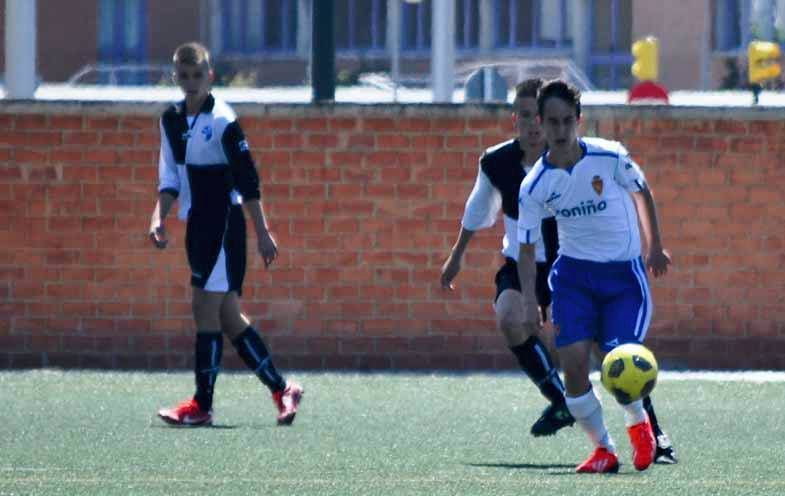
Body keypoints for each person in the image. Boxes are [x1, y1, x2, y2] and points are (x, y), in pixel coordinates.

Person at [516, 79, 672, 473]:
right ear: (540, 123)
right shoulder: (534, 185)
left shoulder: (611, 158)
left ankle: (640, 426)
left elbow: (643, 192)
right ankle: (603, 449)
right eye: (552, 122)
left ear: (579, 121)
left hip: (623, 278)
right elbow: (528, 247)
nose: (561, 130)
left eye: (568, 121)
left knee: (620, 359)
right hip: (572, 278)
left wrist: (653, 247)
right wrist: (529, 298)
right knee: (572, 368)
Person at [149, 42, 302, 427]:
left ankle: (202, 405)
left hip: (223, 223)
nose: (191, 82)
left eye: (197, 75)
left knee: (204, 308)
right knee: (229, 317)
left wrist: (263, 232)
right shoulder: (170, 119)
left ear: (210, 76)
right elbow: (169, 178)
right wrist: (159, 217)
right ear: (175, 77)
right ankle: (283, 389)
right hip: (197, 223)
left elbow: (248, 181)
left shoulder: (223, 121)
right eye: (183, 76)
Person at [441, 79, 574, 437]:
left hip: (570, 266)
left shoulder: (575, 161)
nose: (533, 125)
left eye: (540, 117)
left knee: (582, 343)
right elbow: (476, 210)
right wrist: (456, 256)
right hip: (520, 265)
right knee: (509, 316)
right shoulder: (497, 163)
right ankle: (560, 400)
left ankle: (643, 426)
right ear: (515, 119)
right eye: (526, 116)